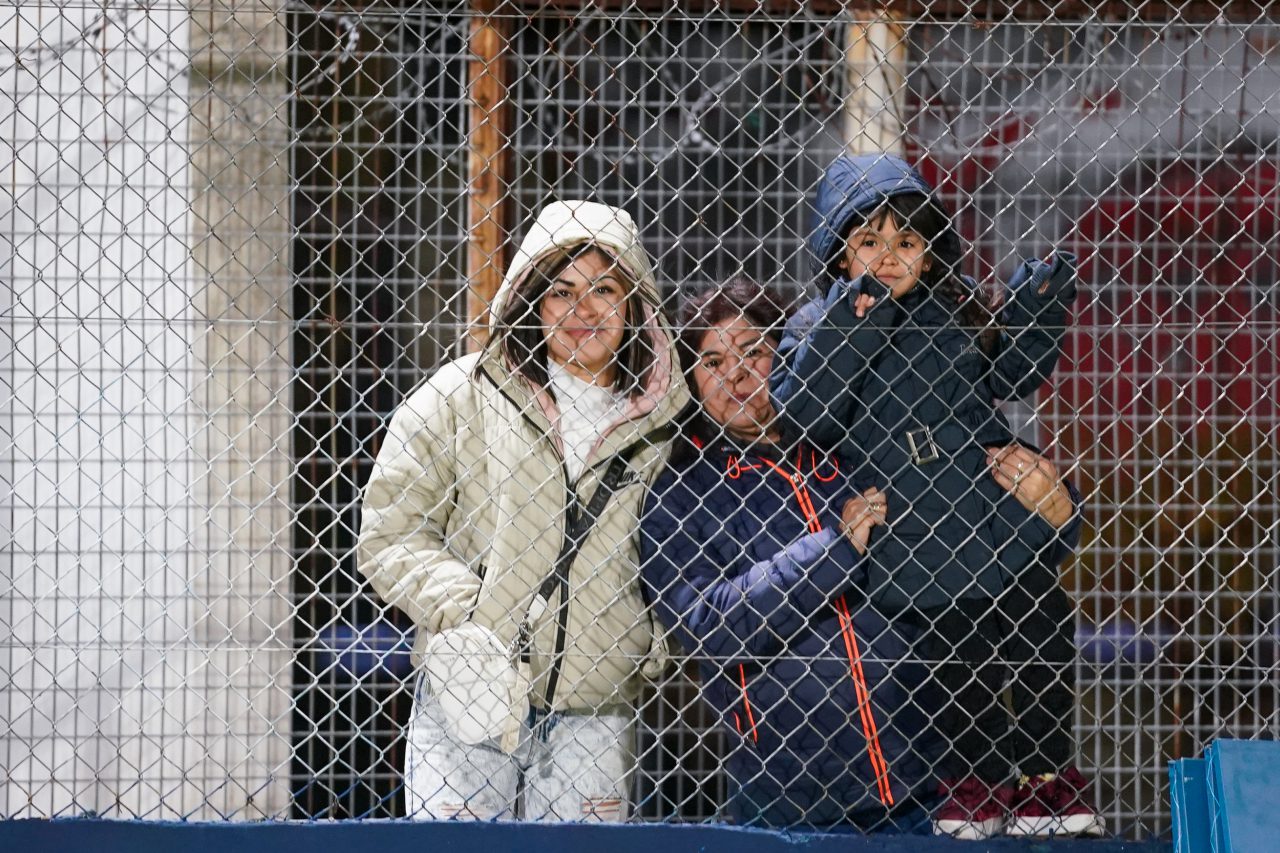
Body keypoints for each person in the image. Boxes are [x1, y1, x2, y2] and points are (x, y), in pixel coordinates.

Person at [639, 279, 1081, 834]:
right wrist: (834, 549)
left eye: (754, 350)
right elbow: (708, 623)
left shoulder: (860, 439)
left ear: (793, 354)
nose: (738, 374)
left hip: (933, 776)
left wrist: (1059, 514)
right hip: (791, 797)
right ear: (690, 380)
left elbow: (974, 518)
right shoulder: (683, 492)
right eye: (712, 362)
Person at [770, 152, 1104, 839]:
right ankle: (976, 782)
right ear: (839, 254)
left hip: (990, 511)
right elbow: (808, 413)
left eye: (907, 241)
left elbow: (1011, 373)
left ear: (930, 251)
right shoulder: (816, 325)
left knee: (1042, 633)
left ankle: (1047, 777)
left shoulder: (953, 307)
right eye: (869, 241)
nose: (889, 257)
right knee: (961, 665)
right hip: (915, 536)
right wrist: (855, 320)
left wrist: (1038, 308)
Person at [358, 201, 688, 821]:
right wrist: (470, 615)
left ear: (635, 303)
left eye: (604, 289)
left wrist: (646, 643)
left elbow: (691, 548)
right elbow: (389, 532)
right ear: (530, 301)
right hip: (468, 698)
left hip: (595, 708)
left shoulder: (665, 423)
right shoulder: (458, 396)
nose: (584, 310)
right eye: (561, 291)